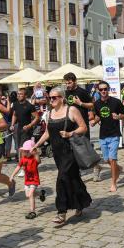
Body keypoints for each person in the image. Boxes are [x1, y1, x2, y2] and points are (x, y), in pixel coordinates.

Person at [34, 87, 91, 224]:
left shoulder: (71, 110)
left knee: (62, 178)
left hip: (71, 151)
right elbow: (47, 133)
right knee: (73, 178)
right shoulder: (50, 113)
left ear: (62, 98)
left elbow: (84, 127)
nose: (51, 100)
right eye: (50, 98)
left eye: (54, 97)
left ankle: (61, 211)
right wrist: (36, 145)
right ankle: (81, 203)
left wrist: (70, 133)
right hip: (57, 153)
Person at [63, 72, 101, 181]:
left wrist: (80, 104)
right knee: (72, 149)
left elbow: (92, 104)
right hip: (70, 124)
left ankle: (96, 167)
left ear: (75, 81)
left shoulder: (82, 92)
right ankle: (77, 173)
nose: (68, 85)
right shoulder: (65, 92)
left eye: (69, 83)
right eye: (66, 83)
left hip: (82, 124)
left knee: (85, 149)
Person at [91, 81, 124, 192]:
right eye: (101, 89)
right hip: (103, 135)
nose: (103, 91)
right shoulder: (96, 104)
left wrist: (119, 117)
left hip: (114, 134)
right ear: (98, 90)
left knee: (112, 159)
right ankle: (118, 169)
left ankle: (113, 183)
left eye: (105, 89)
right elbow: (98, 116)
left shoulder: (116, 102)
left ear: (108, 89)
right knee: (106, 160)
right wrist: (94, 122)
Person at [9, 139, 46, 219]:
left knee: (30, 194)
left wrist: (36, 153)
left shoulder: (35, 158)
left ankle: (32, 211)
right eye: (24, 151)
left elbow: (39, 161)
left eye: (27, 151)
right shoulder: (23, 159)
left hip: (34, 180)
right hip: (27, 180)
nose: (25, 152)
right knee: (27, 195)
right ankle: (40, 193)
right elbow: (18, 167)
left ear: (32, 151)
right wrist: (12, 175)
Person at [10, 88, 39, 165]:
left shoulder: (29, 106)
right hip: (18, 128)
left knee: (24, 148)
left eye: (21, 94)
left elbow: (36, 117)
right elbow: (14, 114)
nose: (18, 96)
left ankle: (24, 166)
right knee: (19, 147)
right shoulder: (15, 104)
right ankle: (24, 164)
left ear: (25, 96)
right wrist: (12, 125)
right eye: (18, 94)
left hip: (27, 130)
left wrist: (29, 126)